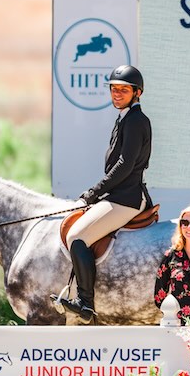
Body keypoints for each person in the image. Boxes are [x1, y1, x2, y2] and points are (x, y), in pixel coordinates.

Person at [59, 64, 153, 323]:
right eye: (114, 89)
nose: (117, 94)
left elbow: (124, 166)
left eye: (124, 90)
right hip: (118, 195)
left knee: (77, 236)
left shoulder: (136, 121)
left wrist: (92, 193)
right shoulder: (124, 117)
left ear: (138, 93)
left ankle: (86, 303)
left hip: (127, 198)